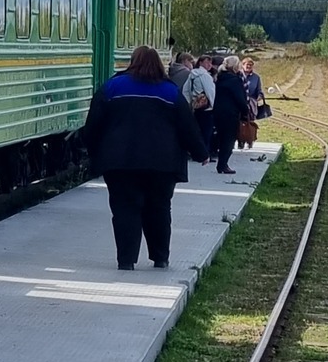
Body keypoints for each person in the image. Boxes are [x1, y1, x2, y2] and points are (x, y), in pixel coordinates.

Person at [80, 45, 202, 269]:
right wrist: (200, 152)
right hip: (162, 164)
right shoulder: (169, 91)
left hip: (120, 162)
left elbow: (94, 123)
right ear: (158, 63)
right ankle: (160, 258)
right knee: (159, 209)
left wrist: (91, 148)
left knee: (125, 209)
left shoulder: (112, 87)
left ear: (132, 61)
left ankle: (126, 261)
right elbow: (187, 126)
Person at [208, 56, 251, 178]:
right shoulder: (235, 80)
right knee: (229, 140)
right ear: (235, 66)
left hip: (218, 112)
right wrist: (245, 111)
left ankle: (221, 163)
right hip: (230, 114)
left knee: (221, 138)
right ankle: (223, 164)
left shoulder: (219, 78)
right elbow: (240, 99)